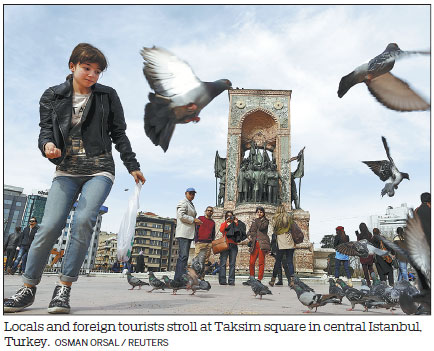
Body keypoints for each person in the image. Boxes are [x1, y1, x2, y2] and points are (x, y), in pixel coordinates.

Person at [4, 43, 145, 314]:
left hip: (100, 168)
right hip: (66, 170)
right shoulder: (52, 95)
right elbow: (45, 131)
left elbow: (119, 133)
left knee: (83, 221)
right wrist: (47, 147)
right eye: (87, 68)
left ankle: (63, 289)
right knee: (49, 227)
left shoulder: (107, 96)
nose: (92, 74)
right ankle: (27, 289)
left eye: (98, 71)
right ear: (73, 66)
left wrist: (132, 165)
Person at [174, 188, 202, 282]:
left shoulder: (190, 204)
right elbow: (181, 215)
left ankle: (179, 278)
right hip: (184, 233)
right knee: (183, 257)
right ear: (185, 193)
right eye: (190, 193)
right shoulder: (183, 202)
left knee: (183, 257)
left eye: (193, 194)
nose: (192, 195)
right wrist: (193, 220)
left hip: (188, 233)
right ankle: (180, 279)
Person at [269, 205, 295, 287]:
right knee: (290, 261)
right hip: (289, 239)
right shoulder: (289, 217)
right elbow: (292, 227)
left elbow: (274, 230)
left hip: (280, 240)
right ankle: (292, 280)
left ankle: (273, 280)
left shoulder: (275, 218)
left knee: (278, 261)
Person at [244, 207, 270, 284]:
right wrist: (248, 235)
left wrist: (257, 220)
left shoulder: (266, 221)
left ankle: (259, 279)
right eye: (258, 212)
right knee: (251, 262)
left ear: (263, 213)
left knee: (261, 262)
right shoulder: (255, 221)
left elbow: (261, 227)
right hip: (254, 244)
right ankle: (252, 278)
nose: (259, 213)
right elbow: (250, 230)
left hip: (262, 243)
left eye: (261, 212)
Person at [218, 211, 240, 285]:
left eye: (231, 216)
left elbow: (238, 231)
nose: (229, 217)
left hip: (233, 245)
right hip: (225, 244)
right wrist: (226, 222)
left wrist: (236, 222)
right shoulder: (224, 224)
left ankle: (231, 280)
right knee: (223, 263)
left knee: (232, 264)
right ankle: (222, 280)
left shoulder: (235, 224)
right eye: (228, 216)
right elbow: (221, 230)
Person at [194, 206, 216, 278]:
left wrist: (211, 242)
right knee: (197, 259)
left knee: (205, 261)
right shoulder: (200, 218)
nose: (209, 212)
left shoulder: (213, 222)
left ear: (212, 213)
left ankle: (201, 277)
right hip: (200, 242)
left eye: (211, 211)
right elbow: (196, 229)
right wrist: (196, 240)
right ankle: (195, 277)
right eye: (208, 210)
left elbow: (213, 233)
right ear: (205, 211)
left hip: (208, 243)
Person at [355, 222, 374, 287]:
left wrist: (357, 235)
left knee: (365, 269)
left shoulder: (359, 236)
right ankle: (375, 280)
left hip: (363, 254)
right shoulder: (369, 234)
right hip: (369, 253)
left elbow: (358, 244)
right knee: (370, 268)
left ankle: (368, 283)